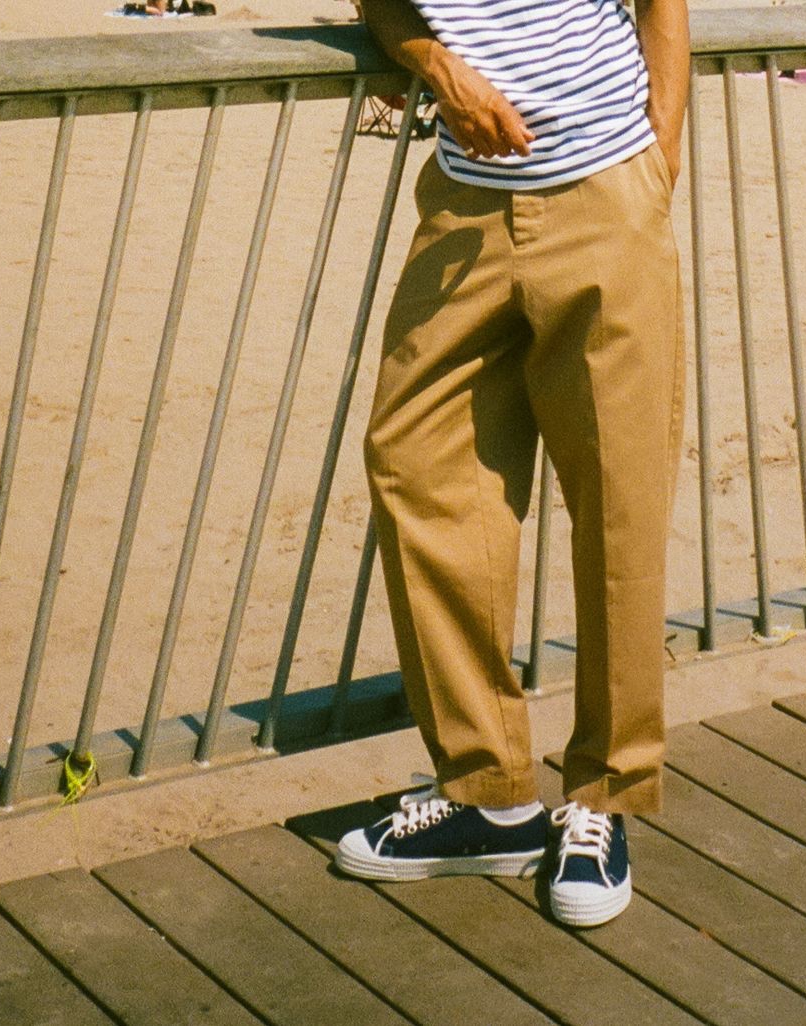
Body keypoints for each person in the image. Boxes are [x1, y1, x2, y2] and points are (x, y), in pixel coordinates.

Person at [333, 0, 689, 928]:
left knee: (620, 498)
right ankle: (491, 790)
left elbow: (662, 8)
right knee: (415, 462)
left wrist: (658, 168)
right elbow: (380, 5)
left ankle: (605, 797)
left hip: (606, 196)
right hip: (464, 207)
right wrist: (444, 73)